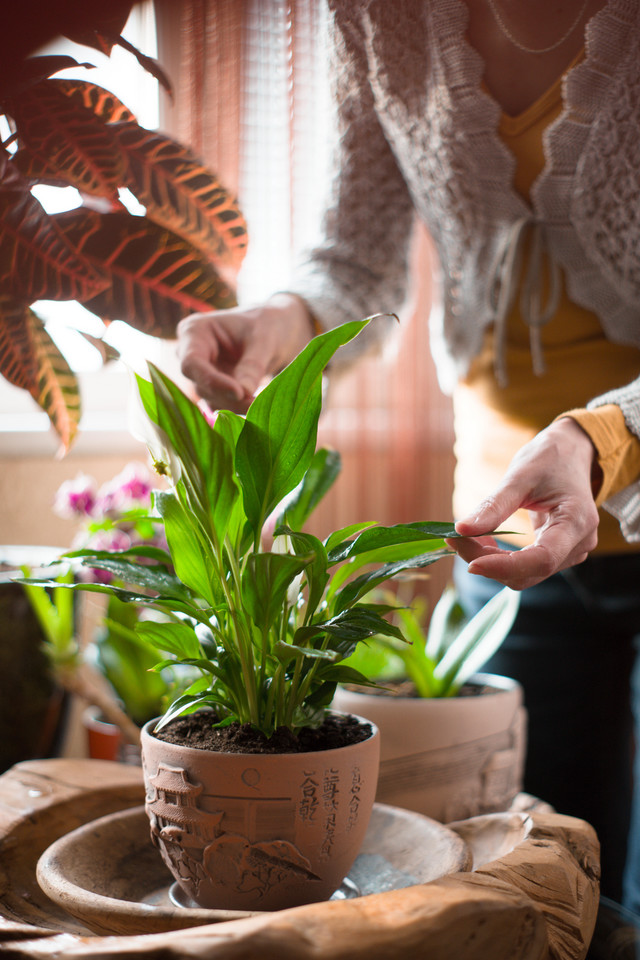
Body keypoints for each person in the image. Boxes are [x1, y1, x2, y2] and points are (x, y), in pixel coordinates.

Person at [176, 0, 640, 908]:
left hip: (615, 471)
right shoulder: (378, 15)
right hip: (508, 534)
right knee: (546, 887)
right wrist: (287, 318)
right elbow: (354, 256)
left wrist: (603, 437)